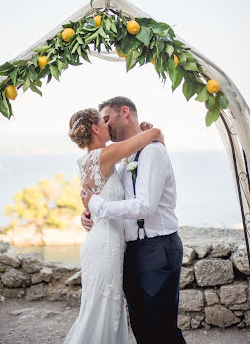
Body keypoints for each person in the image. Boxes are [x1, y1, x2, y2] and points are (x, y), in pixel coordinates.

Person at [81, 96, 186, 344]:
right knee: (142, 329)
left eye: (107, 118)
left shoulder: (152, 151)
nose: (106, 126)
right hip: (132, 251)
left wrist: (97, 205)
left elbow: (144, 206)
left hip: (157, 248)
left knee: (162, 330)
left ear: (124, 112)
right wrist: (89, 213)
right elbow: (112, 193)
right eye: (101, 121)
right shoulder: (125, 157)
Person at [63, 107, 165, 344]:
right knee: (101, 311)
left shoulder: (90, 160)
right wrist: (149, 130)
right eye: (104, 121)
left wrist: (87, 213)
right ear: (96, 129)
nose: (108, 126)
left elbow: (99, 198)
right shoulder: (105, 155)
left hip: (100, 242)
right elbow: (155, 133)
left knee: (101, 309)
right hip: (105, 246)